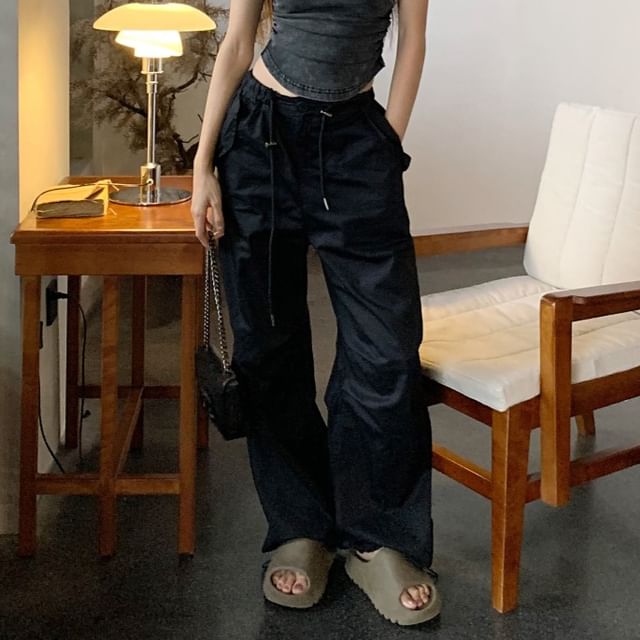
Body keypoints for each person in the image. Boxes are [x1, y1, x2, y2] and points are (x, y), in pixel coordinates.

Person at [191, 0, 440, 626]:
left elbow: (412, 41)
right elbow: (239, 40)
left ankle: (378, 537)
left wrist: (388, 144)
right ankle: (300, 526)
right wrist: (202, 165)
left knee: (386, 352)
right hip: (258, 141)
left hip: (357, 142)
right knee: (266, 347)